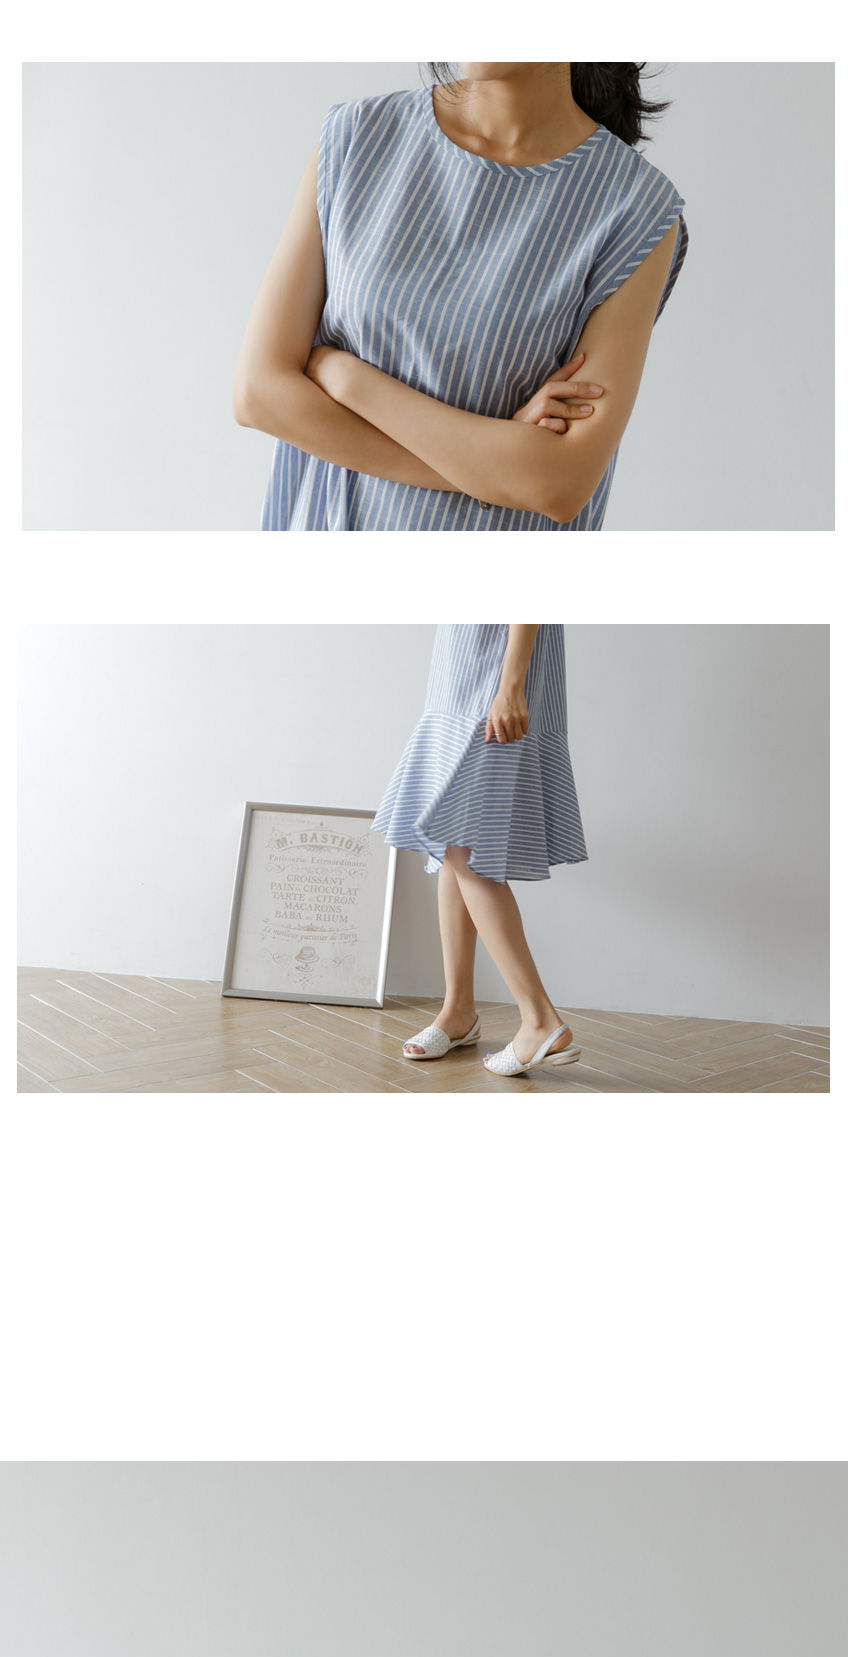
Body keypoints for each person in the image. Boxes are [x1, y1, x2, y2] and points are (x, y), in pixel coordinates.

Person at [233, 69, 686, 536]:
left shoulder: (635, 209)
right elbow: (259, 395)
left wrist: (348, 379)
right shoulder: (358, 135)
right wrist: (496, 472)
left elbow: (560, 483)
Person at [377, 621, 584, 1086]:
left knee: (469, 849)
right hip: (463, 665)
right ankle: (458, 1010)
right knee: (455, 836)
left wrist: (510, 684)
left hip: (494, 667)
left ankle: (539, 1020)